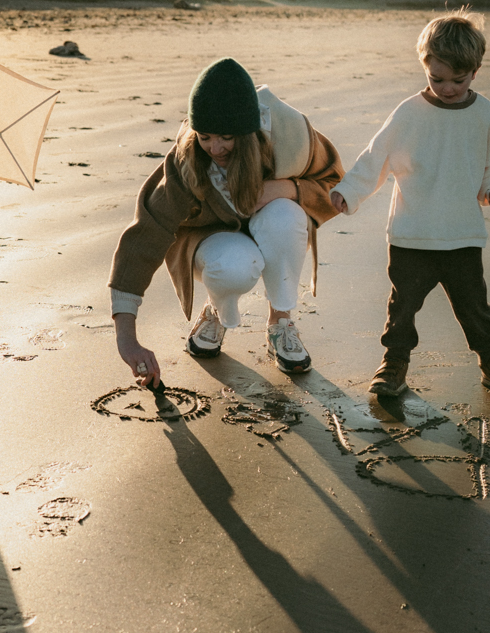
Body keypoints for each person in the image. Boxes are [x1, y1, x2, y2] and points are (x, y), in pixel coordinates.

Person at [330, 9, 490, 400]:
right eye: (437, 79)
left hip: (462, 234)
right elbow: (376, 157)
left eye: (459, 79)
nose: (449, 88)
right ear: (425, 66)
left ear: (476, 70)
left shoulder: (483, 112)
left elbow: (489, 163)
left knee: (476, 309)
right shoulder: (409, 113)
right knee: (402, 309)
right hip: (412, 236)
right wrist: (349, 192)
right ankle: (394, 364)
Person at [110, 57, 343, 387]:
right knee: (232, 265)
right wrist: (127, 340)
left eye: (225, 137)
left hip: (272, 223)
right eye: (204, 136)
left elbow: (336, 183)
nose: (215, 148)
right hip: (212, 242)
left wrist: (288, 187)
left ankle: (281, 322)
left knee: (286, 216)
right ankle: (215, 310)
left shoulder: (290, 137)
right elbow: (144, 239)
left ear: (247, 132)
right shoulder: (187, 161)